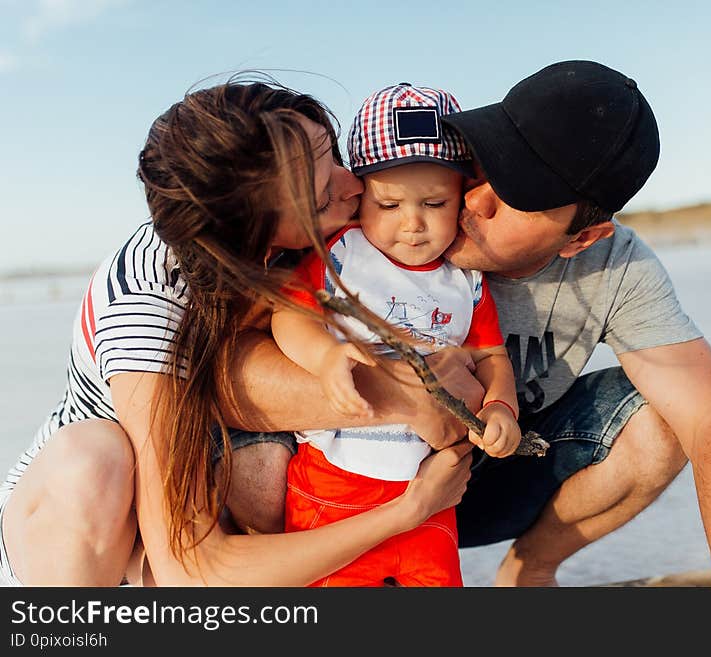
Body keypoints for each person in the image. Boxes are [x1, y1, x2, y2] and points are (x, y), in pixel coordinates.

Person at [0, 76, 475, 586]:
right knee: (92, 461)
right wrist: (408, 510)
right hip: (96, 539)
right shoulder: (149, 306)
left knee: (268, 471)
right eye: (319, 199)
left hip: (205, 499)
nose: (353, 185)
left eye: (334, 155)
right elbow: (191, 571)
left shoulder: (301, 237)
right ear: (250, 230)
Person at [440, 60, 711, 586]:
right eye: (486, 161)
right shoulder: (394, 214)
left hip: (494, 478)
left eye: (519, 195)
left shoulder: (617, 265)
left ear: (582, 238)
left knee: (663, 419)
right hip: (347, 487)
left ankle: (530, 570)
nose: (473, 200)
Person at [273, 83, 520, 586]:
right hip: (335, 483)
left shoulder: (465, 280)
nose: (412, 225)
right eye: (388, 206)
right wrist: (324, 358)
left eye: (433, 203)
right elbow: (288, 315)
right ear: (359, 195)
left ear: (463, 198)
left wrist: (501, 407)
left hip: (433, 489)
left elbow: (491, 353)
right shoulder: (342, 255)